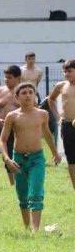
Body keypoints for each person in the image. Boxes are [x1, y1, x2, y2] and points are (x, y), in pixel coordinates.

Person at [0, 82, 61, 232]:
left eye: (30, 92)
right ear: (17, 97)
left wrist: (55, 152)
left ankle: (35, 230)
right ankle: (27, 227)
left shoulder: (42, 114)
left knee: (35, 192)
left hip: (37, 159)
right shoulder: (12, 116)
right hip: (18, 159)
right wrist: (7, 159)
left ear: (35, 96)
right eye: (24, 93)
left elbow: (47, 134)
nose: (27, 95)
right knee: (22, 195)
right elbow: (2, 140)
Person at [46, 59, 75, 191]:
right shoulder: (61, 85)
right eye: (65, 71)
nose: (66, 74)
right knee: (71, 158)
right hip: (67, 125)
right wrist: (58, 118)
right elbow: (51, 100)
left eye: (69, 71)